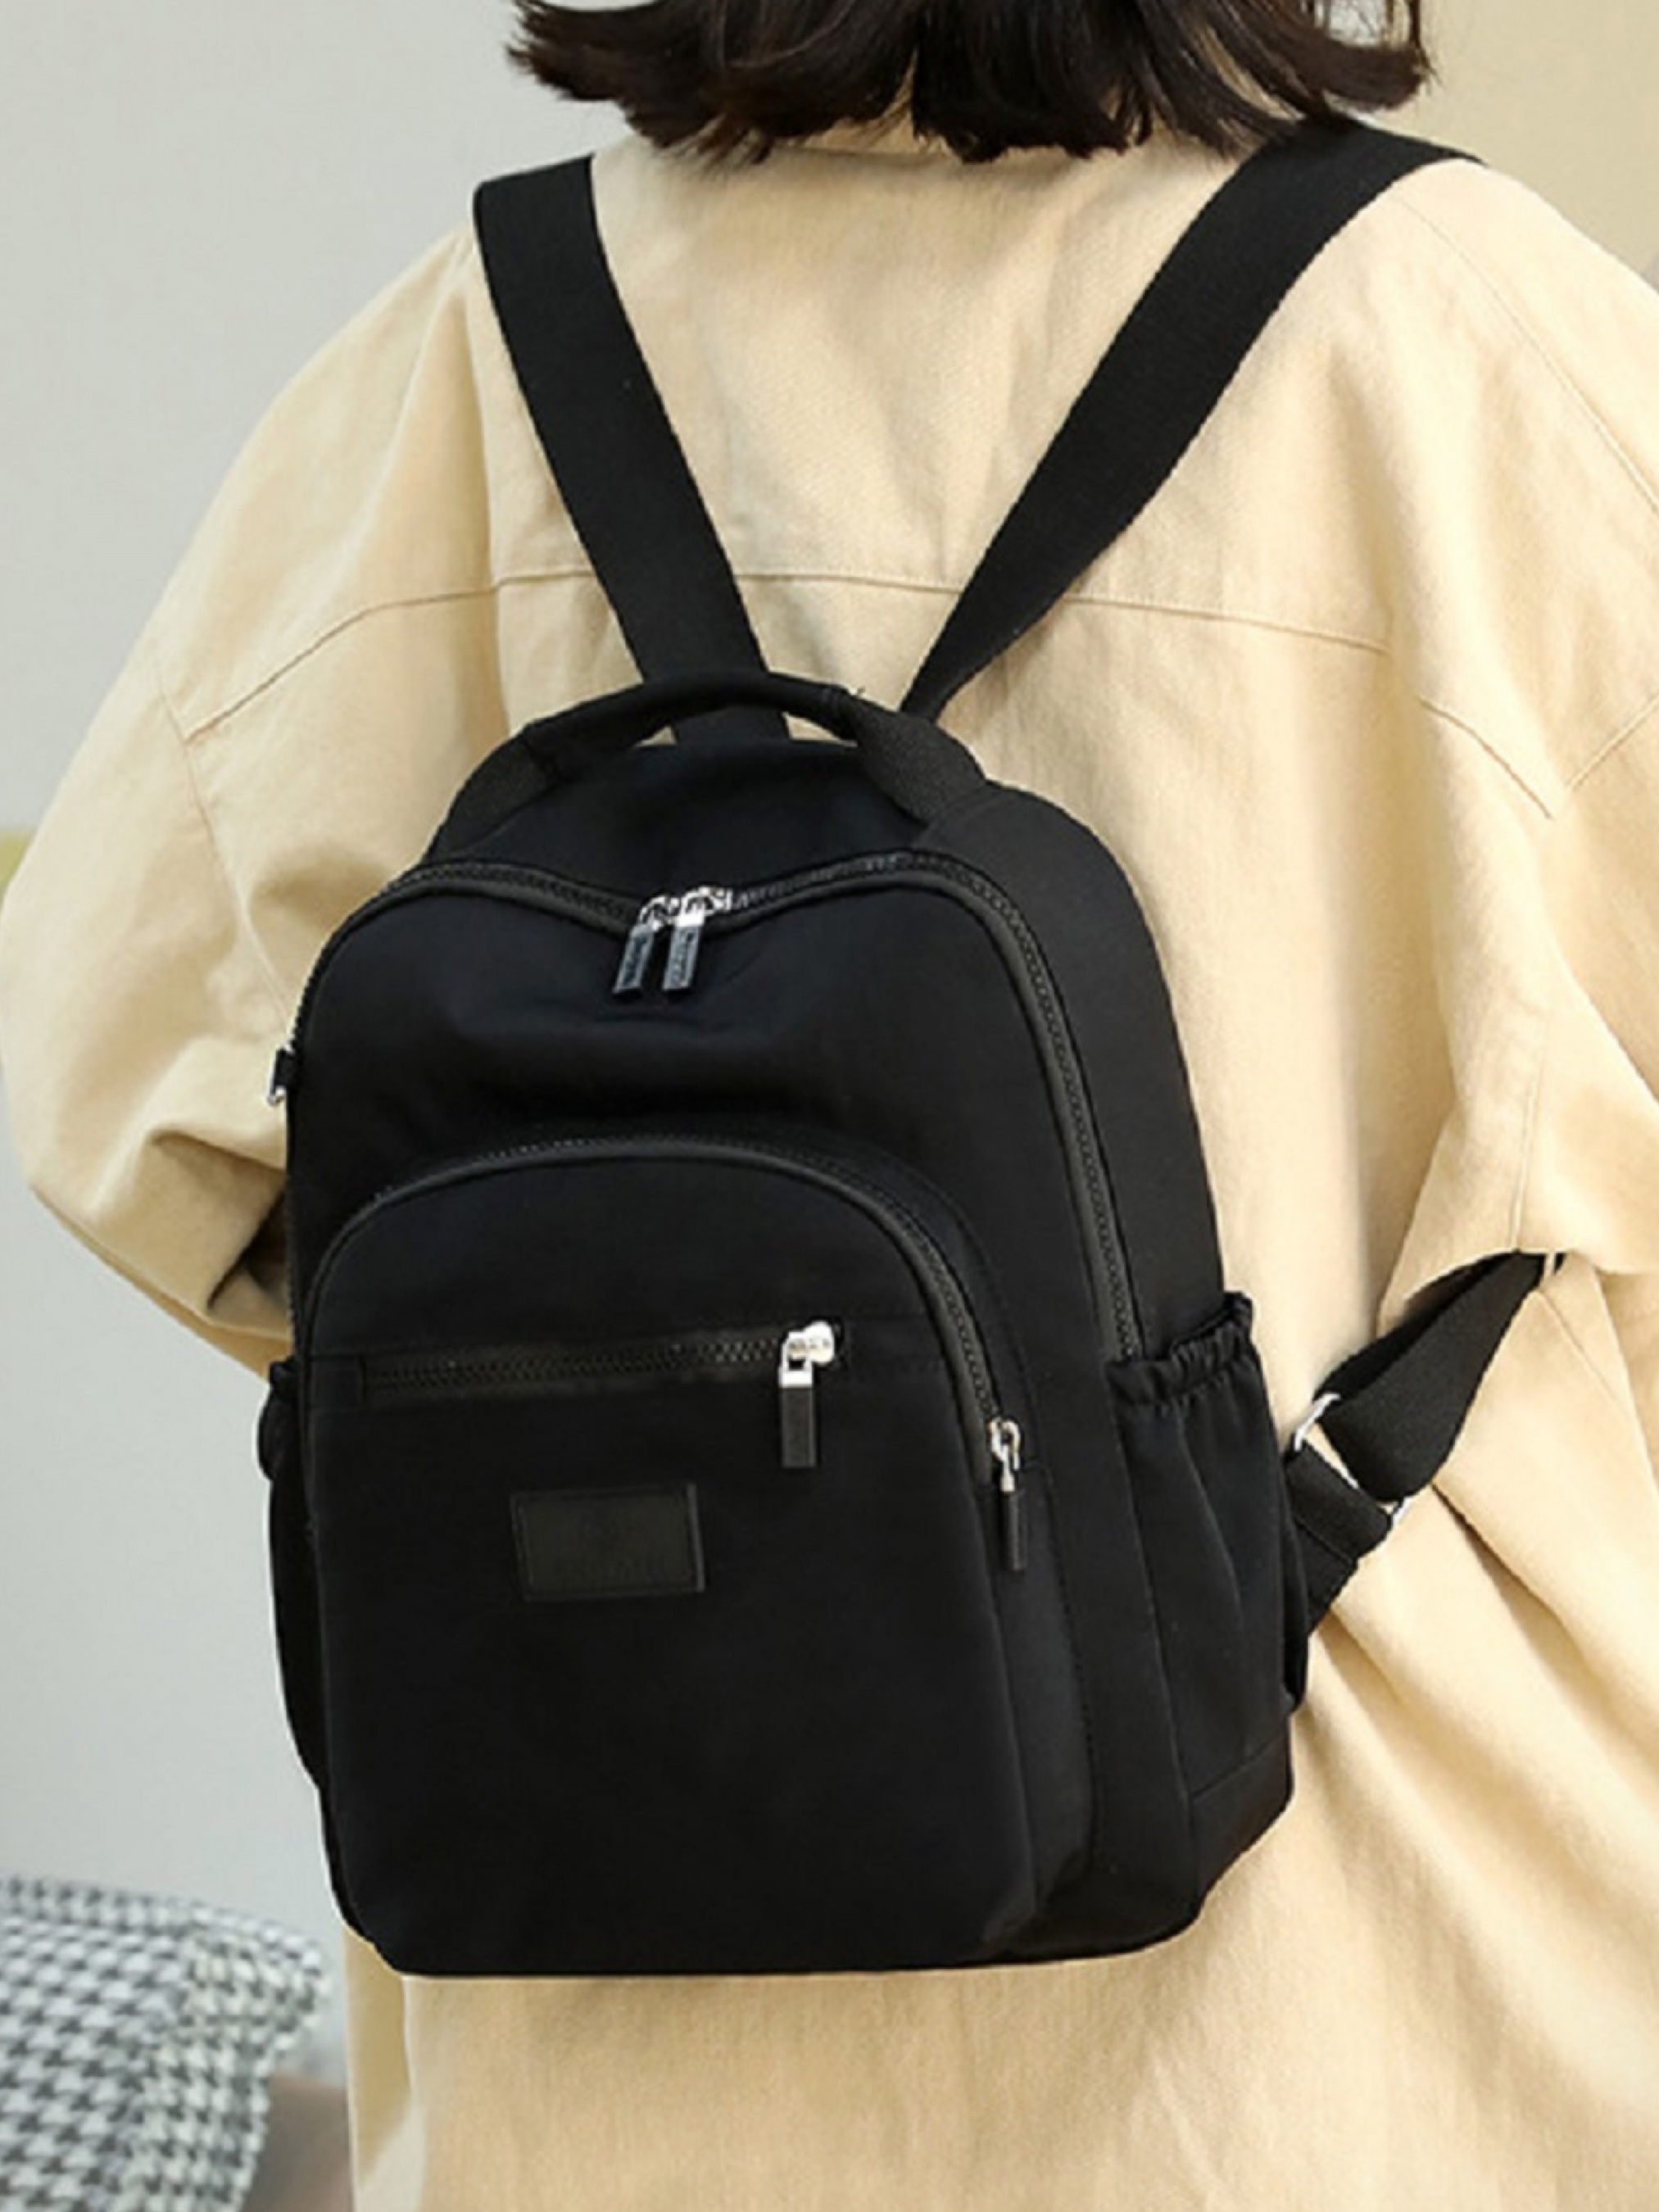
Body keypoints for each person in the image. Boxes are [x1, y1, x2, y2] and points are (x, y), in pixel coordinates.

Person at [5, 2, 1659, 2205]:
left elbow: (127, 1098)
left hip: (624, 2051)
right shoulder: (1481, 352)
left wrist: (645, 1402)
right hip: (1359, 2042)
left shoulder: (473, 351)